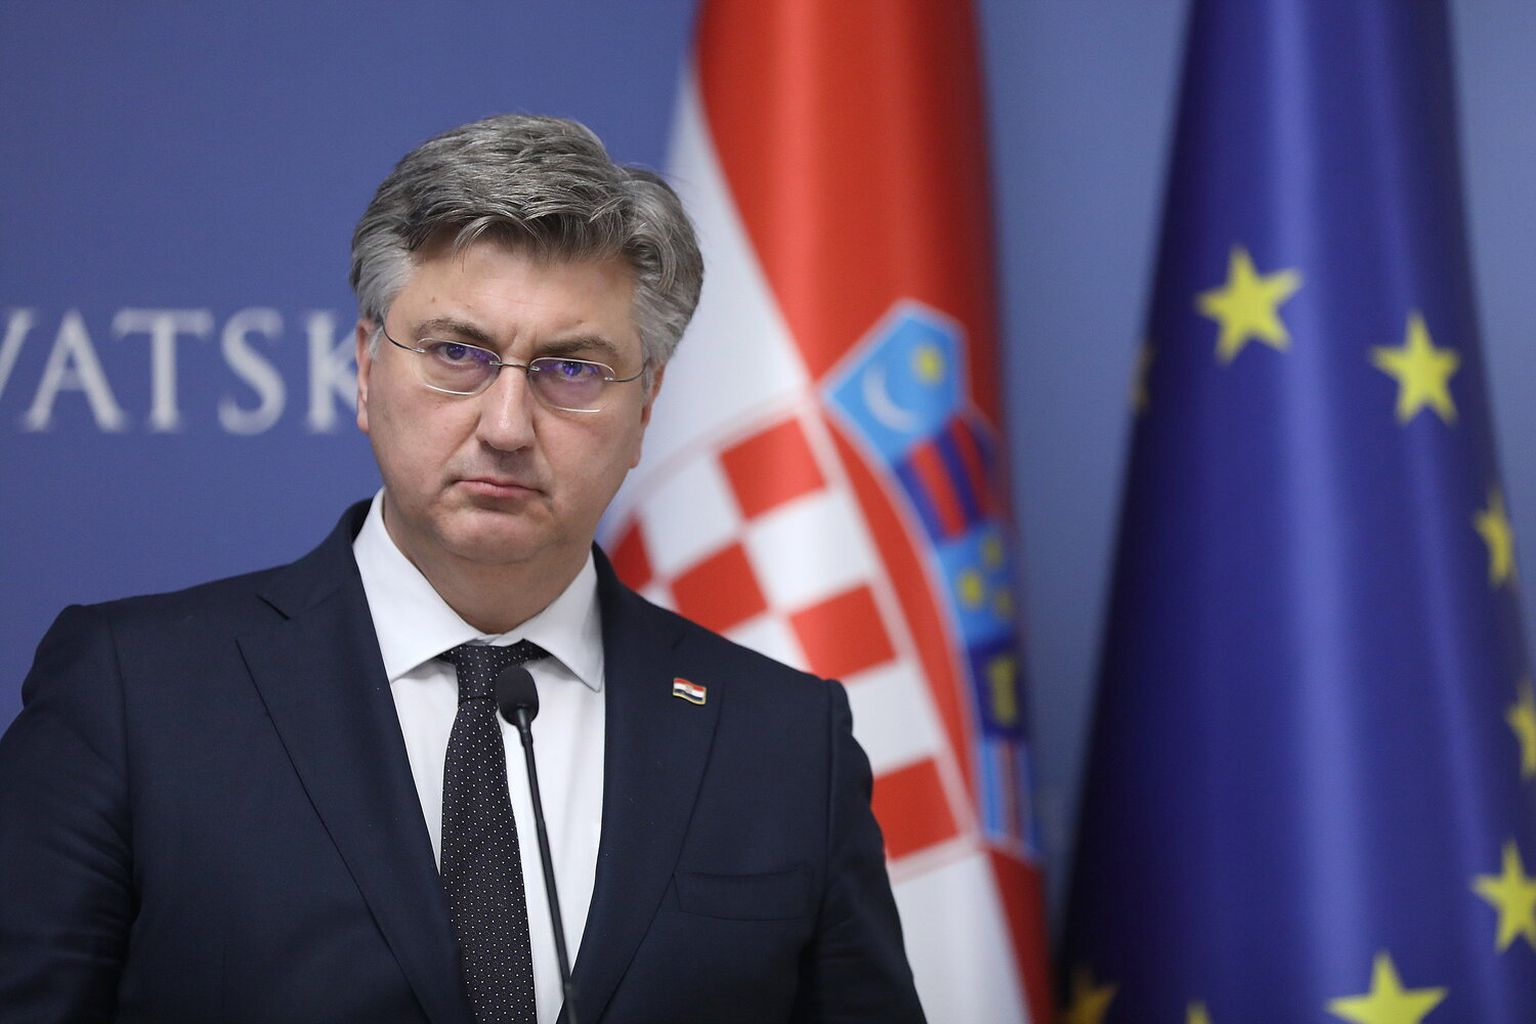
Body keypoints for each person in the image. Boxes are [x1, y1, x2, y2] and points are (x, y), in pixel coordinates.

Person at [0, 114, 925, 1024]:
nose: (507, 426)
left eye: (571, 369)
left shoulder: (782, 741)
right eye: (457, 354)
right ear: (366, 369)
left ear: (646, 409)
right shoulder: (135, 695)